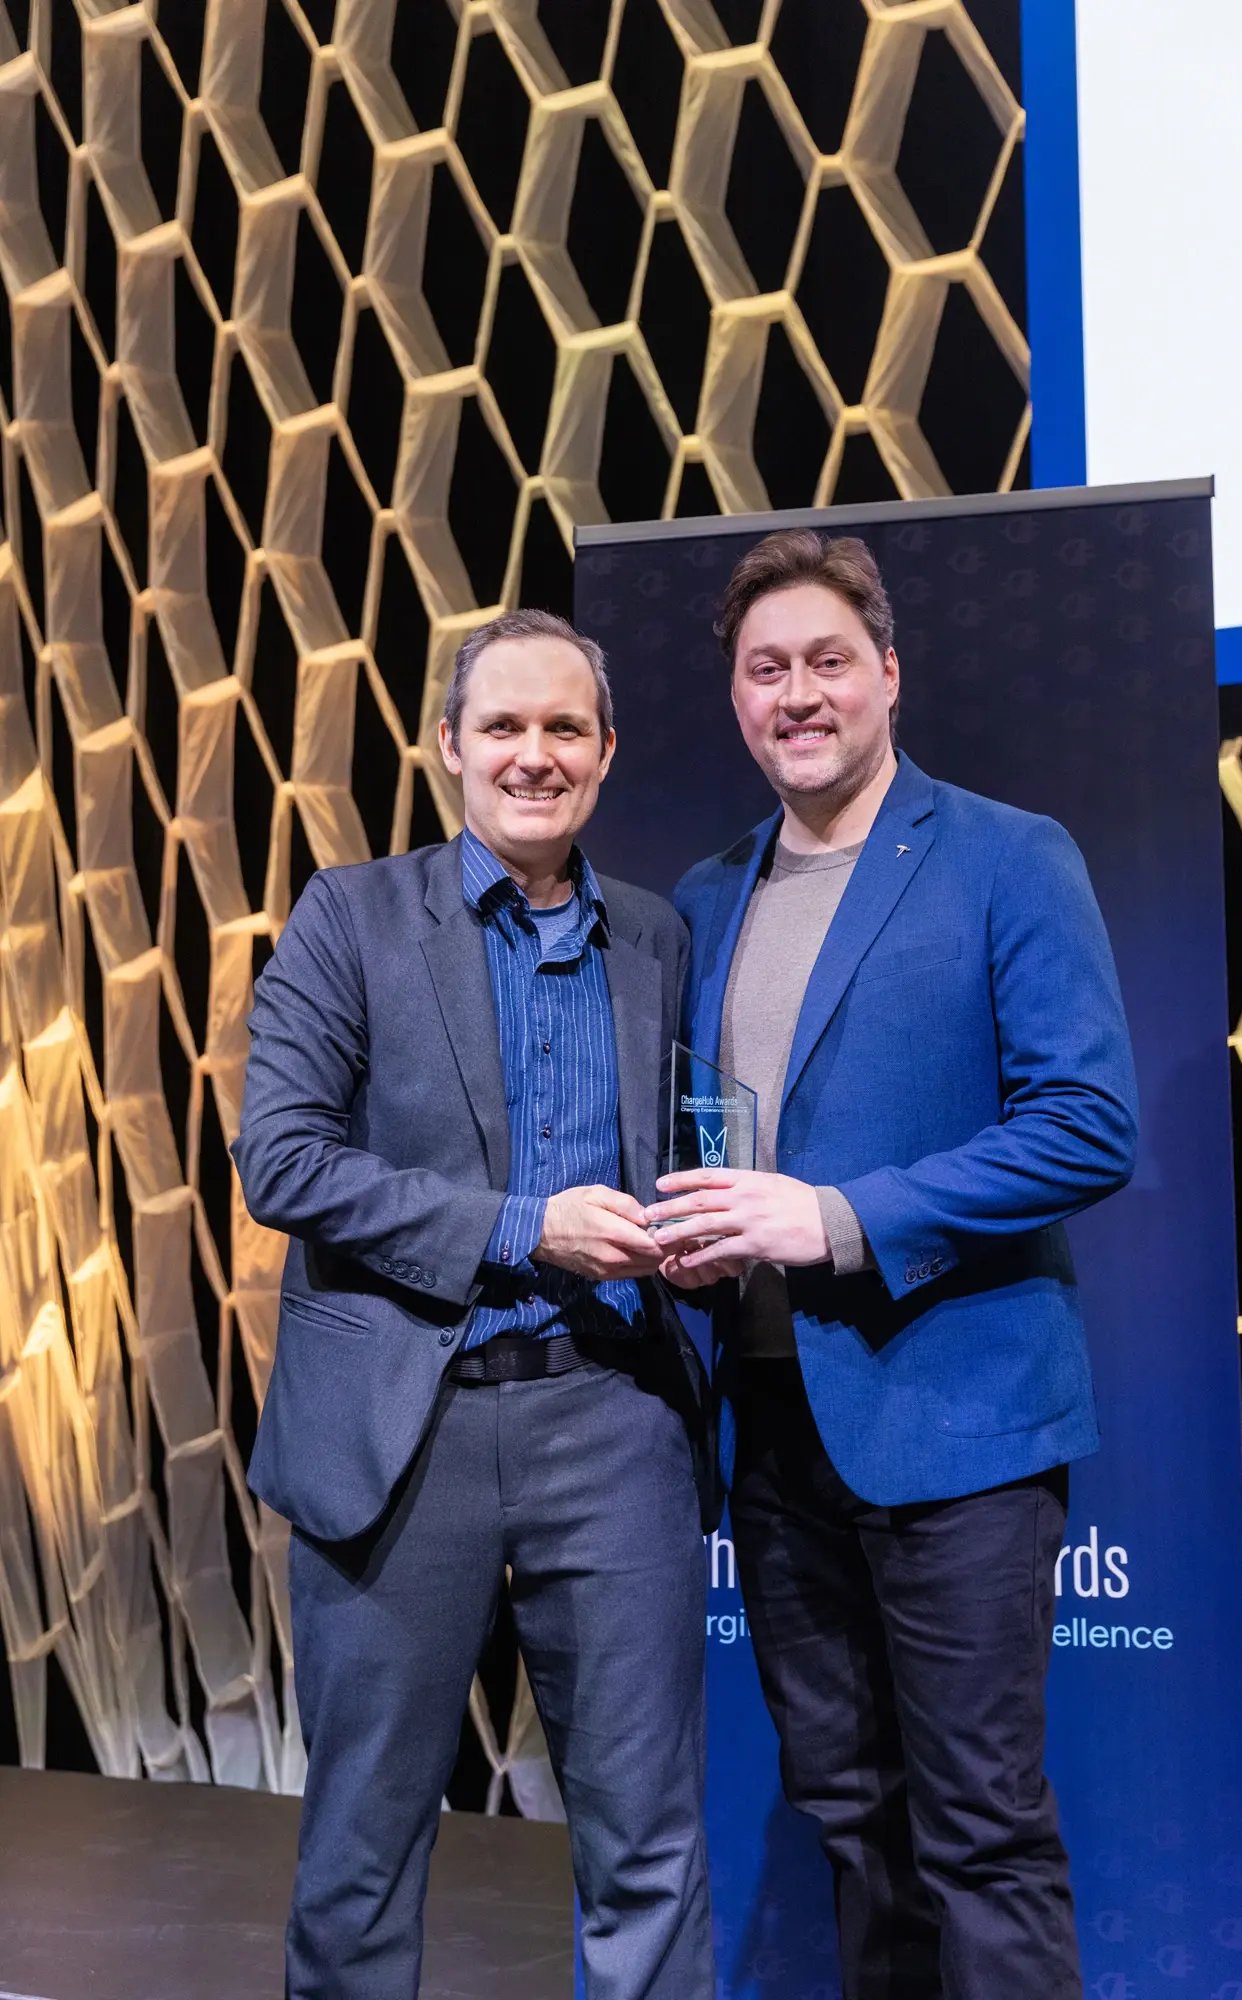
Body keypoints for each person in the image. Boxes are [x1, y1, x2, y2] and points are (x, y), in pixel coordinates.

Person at [647, 530, 1138, 2000]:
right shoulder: (703, 895)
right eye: (763, 670)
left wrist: (836, 1218)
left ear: (887, 676)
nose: (796, 695)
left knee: (979, 1828)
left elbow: (1085, 1123)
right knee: (853, 1818)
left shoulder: (1006, 853)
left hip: (958, 1421)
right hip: (775, 1427)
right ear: (734, 700)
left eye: (823, 662)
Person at [233, 609, 715, 2000]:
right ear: (448, 746)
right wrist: (525, 1231)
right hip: (402, 1430)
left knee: (646, 1849)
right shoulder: (350, 916)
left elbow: (682, 1146)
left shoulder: (653, 936)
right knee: (365, 1843)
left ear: (607, 751)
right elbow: (283, 1161)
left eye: (565, 727)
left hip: (614, 1422)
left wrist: (684, 1235)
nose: (534, 755)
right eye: (502, 726)